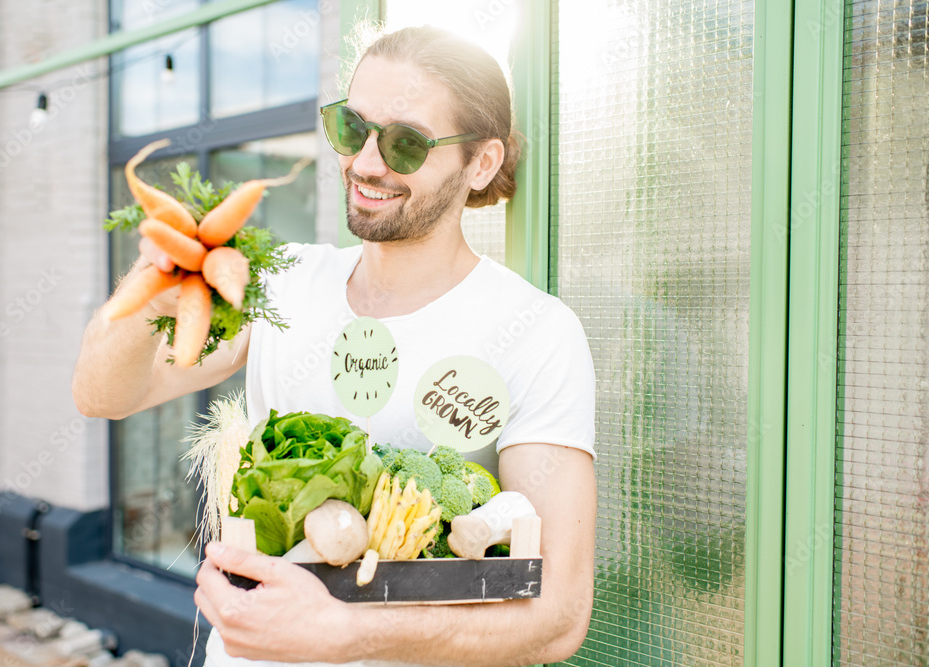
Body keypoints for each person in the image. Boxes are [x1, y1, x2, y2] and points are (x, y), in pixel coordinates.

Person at [73, 26, 596, 667]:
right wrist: (150, 291)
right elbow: (105, 395)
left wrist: (352, 634)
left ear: (480, 163)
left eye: (406, 143)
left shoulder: (536, 331)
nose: (366, 163)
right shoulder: (282, 280)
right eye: (353, 129)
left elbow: (558, 615)